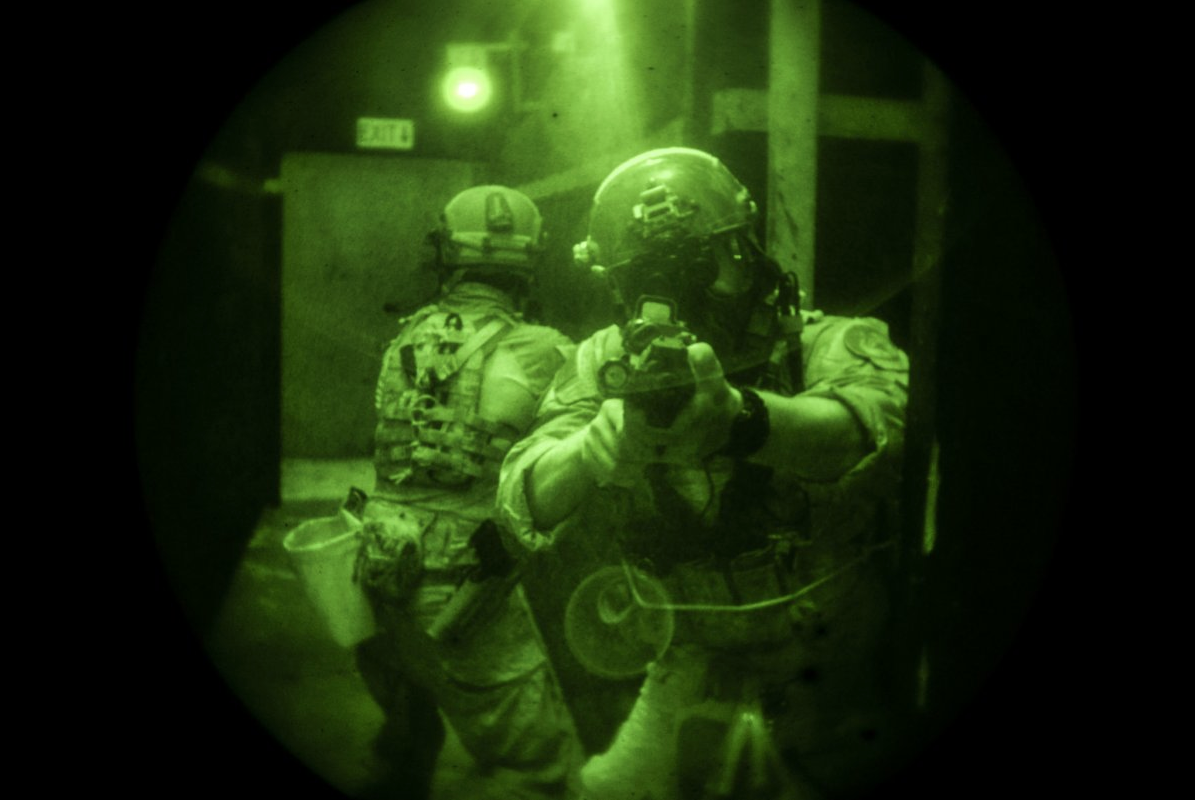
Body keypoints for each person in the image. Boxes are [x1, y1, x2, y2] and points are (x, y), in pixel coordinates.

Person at [496, 148, 910, 798]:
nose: (677, 297)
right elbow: (520, 495)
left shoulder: (824, 343)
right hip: (687, 654)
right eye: (647, 277)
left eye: (699, 265)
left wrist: (745, 421)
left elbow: (881, 425)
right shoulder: (602, 362)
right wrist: (588, 451)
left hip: (825, 657)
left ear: (745, 249)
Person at [353, 185, 584, 799]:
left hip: (378, 569)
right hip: (465, 583)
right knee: (536, 767)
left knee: (404, 746)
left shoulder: (404, 338)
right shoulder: (545, 349)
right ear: (531, 259)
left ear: (445, 253)